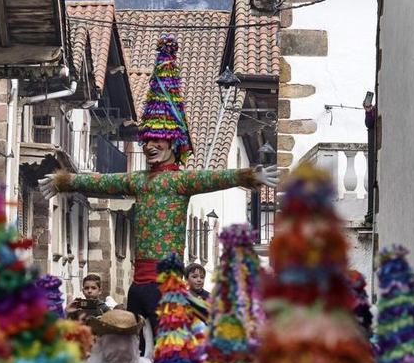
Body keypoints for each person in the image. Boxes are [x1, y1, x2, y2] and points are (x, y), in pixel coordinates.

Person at [39, 34, 280, 336]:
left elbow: (217, 177)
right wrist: (65, 181)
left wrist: (249, 175)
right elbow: (100, 181)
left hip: (166, 284)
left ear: (172, 144)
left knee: (168, 348)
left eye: (157, 141)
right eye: (147, 141)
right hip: (138, 285)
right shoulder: (138, 180)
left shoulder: (181, 181)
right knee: (135, 345)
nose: (150, 147)